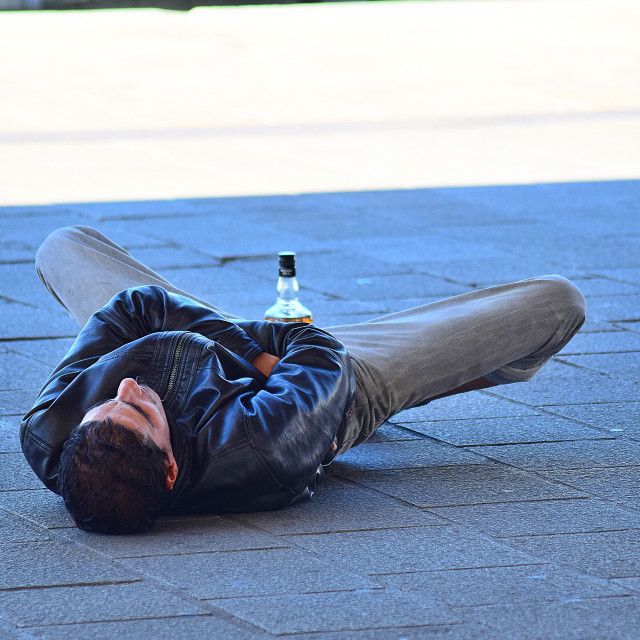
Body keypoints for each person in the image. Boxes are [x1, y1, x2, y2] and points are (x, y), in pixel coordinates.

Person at [21, 226, 586, 535]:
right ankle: (410, 387)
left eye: (107, 404)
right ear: (170, 468)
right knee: (558, 302)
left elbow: (135, 307)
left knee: (61, 245)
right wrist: (274, 364)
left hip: (264, 366)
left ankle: (230, 337)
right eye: (140, 410)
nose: (123, 389)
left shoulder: (52, 429)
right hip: (329, 390)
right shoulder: (260, 452)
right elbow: (319, 352)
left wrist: (244, 351)